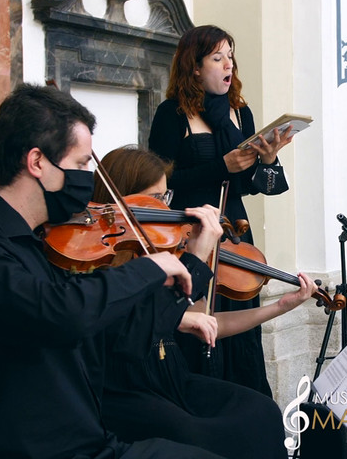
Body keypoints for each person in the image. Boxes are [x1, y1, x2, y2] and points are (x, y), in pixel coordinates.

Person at [0, 84, 222, 458]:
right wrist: (147, 268)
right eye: (82, 163)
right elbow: (60, 313)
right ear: (37, 163)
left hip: (91, 444)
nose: (88, 178)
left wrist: (191, 264)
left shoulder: (38, 245)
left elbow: (122, 340)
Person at [91, 146, 318, 458]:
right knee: (200, 436)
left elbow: (213, 323)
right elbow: (120, 330)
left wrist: (279, 307)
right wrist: (192, 268)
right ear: (125, 199)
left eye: (165, 197)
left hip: (172, 377)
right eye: (155, 199)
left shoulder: (165, 253)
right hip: (125, 388)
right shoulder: (96, 261)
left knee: (261, 412)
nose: (166, 210)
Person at [149, 24, 292, 396]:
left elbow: (256, 187)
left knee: (240, 327)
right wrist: (220, 167)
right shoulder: (172, 114)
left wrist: (268, 160)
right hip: (191, 237)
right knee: (200, 327)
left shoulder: (239, 114)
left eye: (231, 56)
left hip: (235, 234)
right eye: (217, 57)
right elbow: (160, 183)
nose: (228, 64)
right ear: (194, 67)